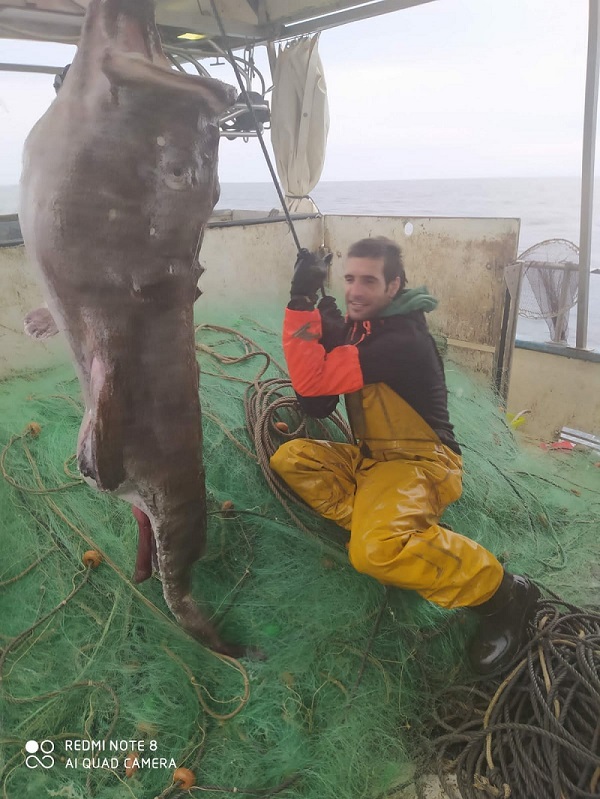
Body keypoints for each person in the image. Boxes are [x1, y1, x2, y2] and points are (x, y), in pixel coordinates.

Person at [270, 236, 539, 675]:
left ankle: (502, 593)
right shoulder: (365, 331)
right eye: (350, 278)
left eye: (369, 281)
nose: (355, 290)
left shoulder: (402, 339)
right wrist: (326, 331)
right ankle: (395, 528)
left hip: (422, 465)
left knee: (372, 554)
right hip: (374, 463)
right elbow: (315, 404)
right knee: (294, 458)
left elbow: (315, 383)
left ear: (393, 286)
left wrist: (301, 303)